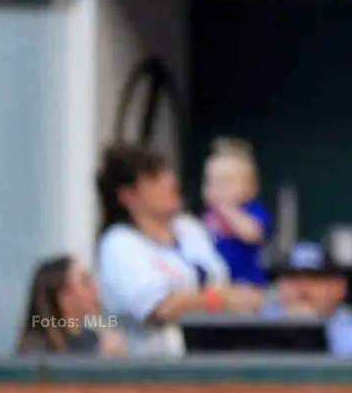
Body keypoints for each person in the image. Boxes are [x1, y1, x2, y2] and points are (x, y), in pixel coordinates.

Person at [95, 143, 264, 357]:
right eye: (155, 178)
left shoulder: (189, 229)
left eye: (167, 173)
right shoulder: (119, 244)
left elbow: (223, 282)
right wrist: (219, 299)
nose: (170, 182)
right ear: (127, 195)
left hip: (211, 361)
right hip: (150, 372)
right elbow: (159, 307)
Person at [260, 242, 352, 358]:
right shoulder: (257, 322)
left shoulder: (349, 334)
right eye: (292, 277)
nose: (302, 287)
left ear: (339, 287)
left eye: (314, 278)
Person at [16, 255, 125, 357]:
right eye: (86, 282)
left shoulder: (91, 339)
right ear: (64, 297)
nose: (95, 287)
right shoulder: (36, 351)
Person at [202, 137, 272, 286]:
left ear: (251, 189)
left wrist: (228, 210)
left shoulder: (252, 209)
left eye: (223, 183)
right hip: (216, 285)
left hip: (247, 283)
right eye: (210, 182)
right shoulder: (208, 215)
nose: (215, 189)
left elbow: (252, 234)